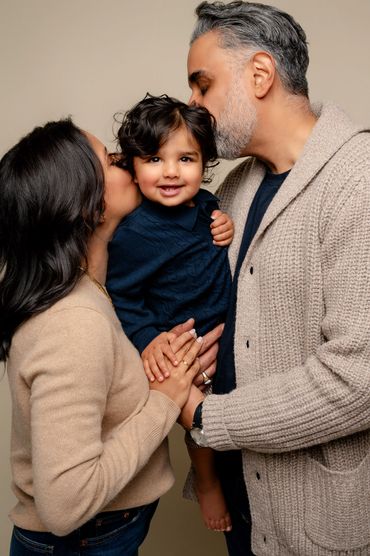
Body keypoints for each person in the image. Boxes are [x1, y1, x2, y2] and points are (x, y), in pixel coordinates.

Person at [180, 2, 370, 556]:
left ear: (260, 75)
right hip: (244, 503)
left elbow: (359, 380)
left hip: (319, 525)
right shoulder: (237, 185)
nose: (192, 104)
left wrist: (204, 417)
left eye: (203, 84)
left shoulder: (358, 180)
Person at [0, 118, 206, 556]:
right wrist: (165, 400)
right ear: (89, 206)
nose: (131, 164)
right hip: (81, 541)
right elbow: (66, 505)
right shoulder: (74, 322)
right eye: (112, 161)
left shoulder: (95, 290)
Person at [106, 94, 233, 531]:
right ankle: (208, 480)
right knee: (198, 420)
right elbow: (121, 297)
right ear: (133, 167)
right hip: (184, 342)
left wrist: (225, 221)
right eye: (155, 159)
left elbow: (216, 216)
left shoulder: (206, 206)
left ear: (204, 162)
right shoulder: (135, 234)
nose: (172, 172)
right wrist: (148, 340)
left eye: (186, 158)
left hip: (232, 332)